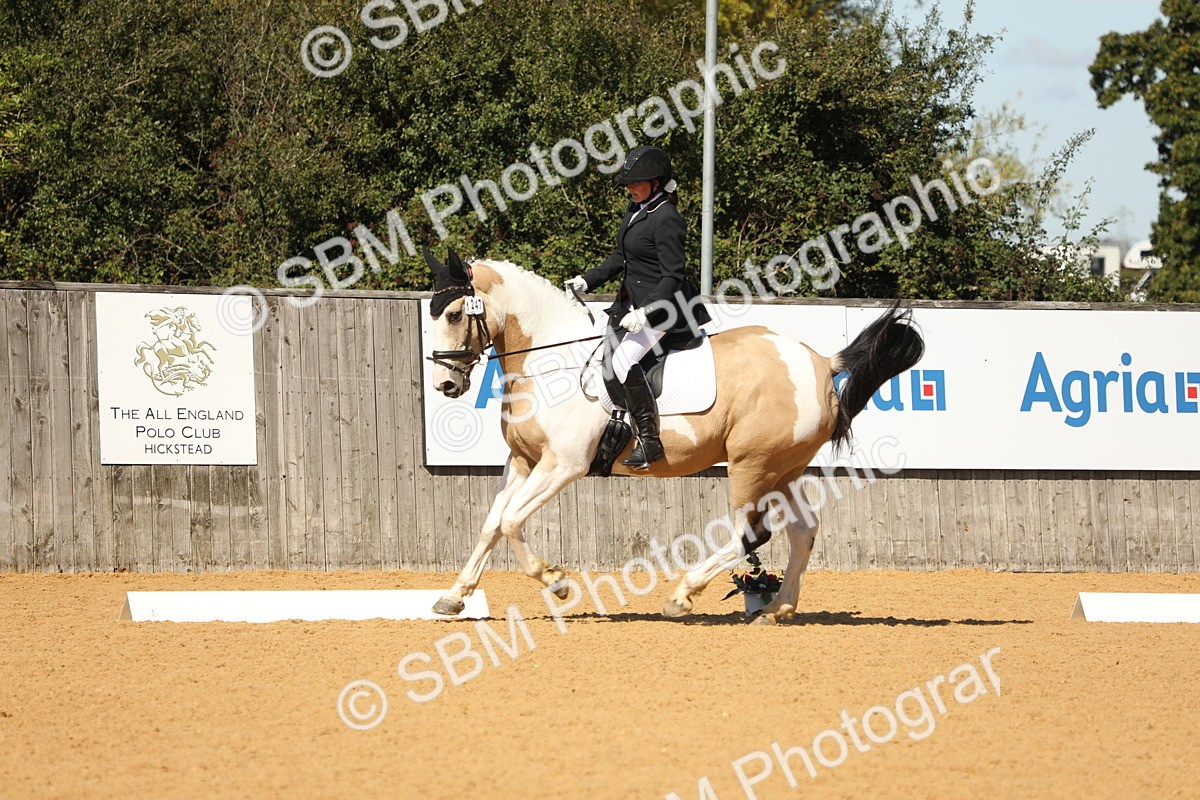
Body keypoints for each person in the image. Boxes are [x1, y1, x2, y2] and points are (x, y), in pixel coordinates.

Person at [564, 145, 710, 469]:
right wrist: (587, 281)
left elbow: (674, 276)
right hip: (628, 304)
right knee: (604, 362)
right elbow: (621, 258)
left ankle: (650, 441)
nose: (630, 187)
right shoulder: (636, 208)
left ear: (656, 183)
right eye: (629, 183)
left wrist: (645, 312)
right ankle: (615, 432)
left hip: (665, 308)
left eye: (636, 182)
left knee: (623, 361)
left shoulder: (667, 218)